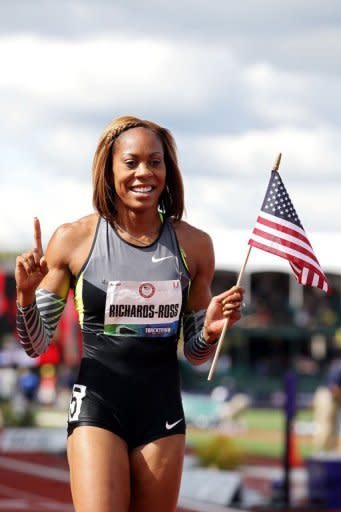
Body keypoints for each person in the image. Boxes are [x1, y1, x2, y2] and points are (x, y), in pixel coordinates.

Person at [15, 116, 244, 512]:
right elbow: (35, 344)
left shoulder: (195, 246)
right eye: (132, 162)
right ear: (110, 170)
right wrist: (25, 295)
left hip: (162, 413)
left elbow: (194, 353)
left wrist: (208, 330)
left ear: (168, 171)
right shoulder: (73, 240)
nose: (144, 173)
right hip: (98, 407)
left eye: (155, 162)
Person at [313, 363, 341, 452]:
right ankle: (320, 451)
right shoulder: (338, 369)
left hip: (335, 396)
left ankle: (332, 452)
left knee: (334, 425)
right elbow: (334, 388)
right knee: (325, 424)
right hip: (326, 395)